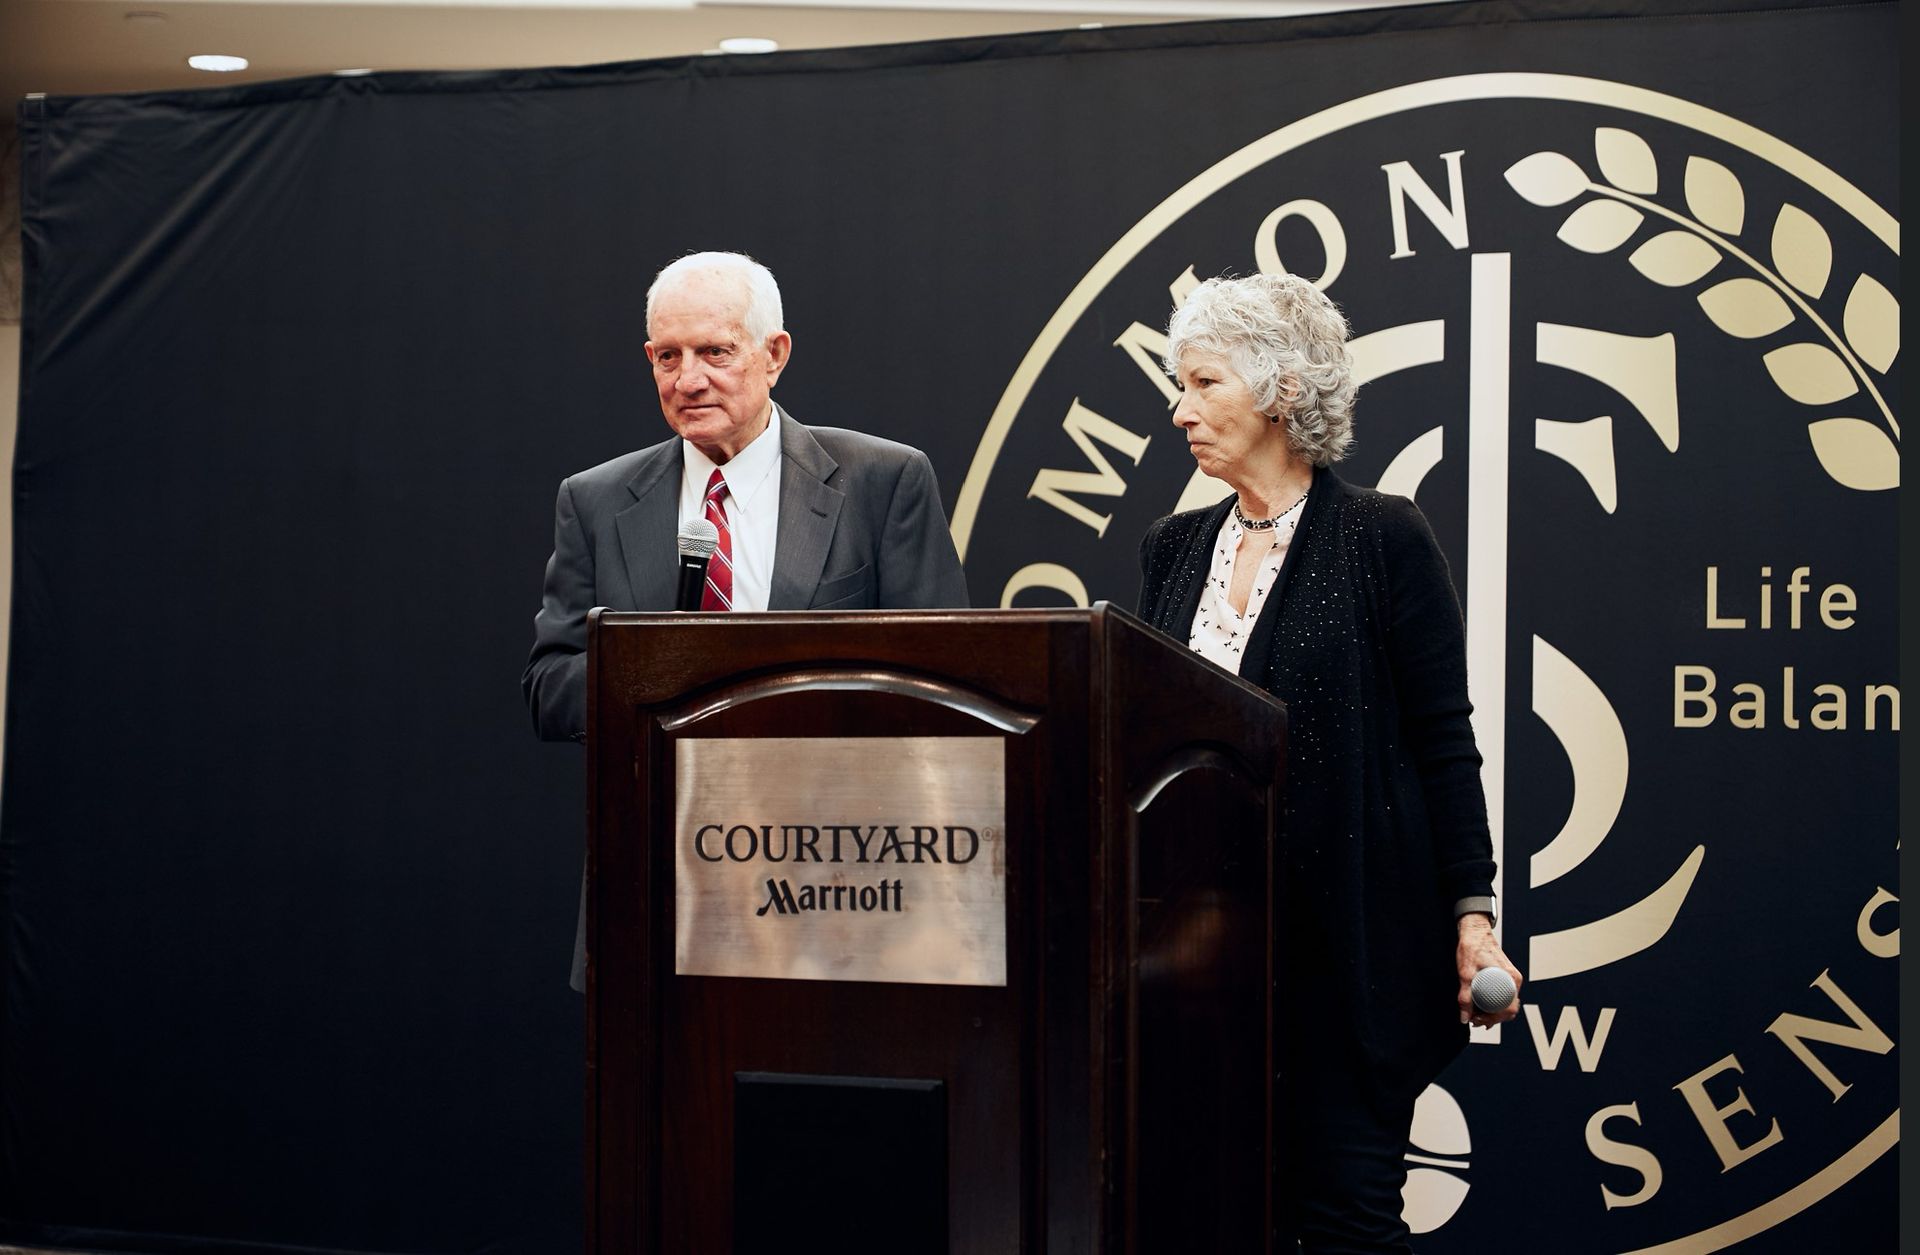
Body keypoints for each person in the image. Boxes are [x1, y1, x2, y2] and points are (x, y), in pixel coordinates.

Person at [1136, 272, 1521, 1253]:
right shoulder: (1171, 549)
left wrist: (1472, 917)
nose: (1181, 410)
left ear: (1278, 389)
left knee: (1347, 1220)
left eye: (1203, 383)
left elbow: (1444, 737)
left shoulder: (1383, 536)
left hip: (1349, 963)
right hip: (1195, 971)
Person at [522, 250, 970, 988]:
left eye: (715, 352)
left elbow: (946, 682)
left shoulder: (882, 483)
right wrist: (658, 669)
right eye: (668, 356)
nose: (688, 379)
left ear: (774, 354)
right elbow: (550, 686)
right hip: (659, 895)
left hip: (849, 885)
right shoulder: (597, 501)